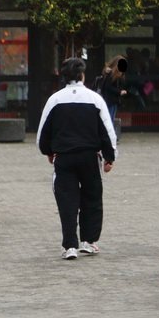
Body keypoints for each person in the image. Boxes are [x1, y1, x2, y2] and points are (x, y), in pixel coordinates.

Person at [37, 57, 117, 260]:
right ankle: (89, 242)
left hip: (64, 158)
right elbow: (107, 131)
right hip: (90, 157)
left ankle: (70, 246)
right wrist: (110, 157)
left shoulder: (54, 100)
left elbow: (43, 134)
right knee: (92, 199)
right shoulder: (94, 99)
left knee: (67, 201)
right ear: (82, 75)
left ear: (64, 77)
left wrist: (48, 151)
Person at [98, 55, 128, 121]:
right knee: (109, 119)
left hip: (113, 101)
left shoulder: (116, 73)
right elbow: (108, 87)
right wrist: (119, 92)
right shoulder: (111, 73)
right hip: (110, 100)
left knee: (110, 118)